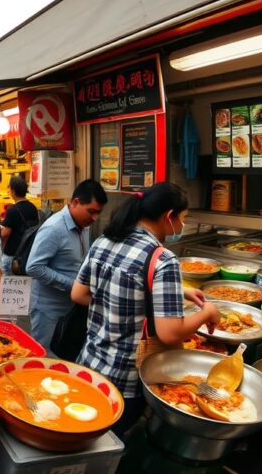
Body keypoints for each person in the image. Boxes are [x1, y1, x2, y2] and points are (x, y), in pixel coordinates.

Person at [72, 183, 219, 436]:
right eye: (182, 219)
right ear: (168, 216)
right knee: (110, 442)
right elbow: (171, 333)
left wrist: (177, 291)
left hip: (89, 365)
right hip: (124, 381)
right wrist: (208, 313)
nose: (181, 227)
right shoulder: (162, 258)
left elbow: (79, 294)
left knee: (84, 436)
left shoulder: (104, 240)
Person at [26, 179, 108, 355]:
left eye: (98, 213)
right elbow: (34, 267)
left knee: (64, 354)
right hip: (48, 309)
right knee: (45, 356)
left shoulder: (83, 226)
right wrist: (73, 285)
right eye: (91, 211)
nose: (94, 218)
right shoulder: (53, 228)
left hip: (71, 307)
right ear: (76, 202)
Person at [0, 174, 39, 273]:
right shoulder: (33, 207)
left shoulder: (12, 210)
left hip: (12, 255)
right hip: (26, 253)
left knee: (8, 286)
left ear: (13, 191)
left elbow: (5, 233)